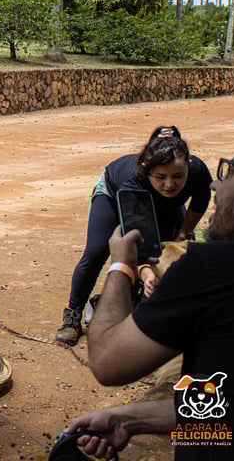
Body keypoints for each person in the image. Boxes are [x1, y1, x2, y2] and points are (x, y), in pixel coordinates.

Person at [63, 145, 234, 459]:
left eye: (229, 173)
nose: (216, 184)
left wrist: (122, 265)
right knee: (93, 252)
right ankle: (73, 309)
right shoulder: (131, 183)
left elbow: (107, 363)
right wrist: (129, 419)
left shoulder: (211, 267)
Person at [56, 126, 212, 345]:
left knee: (173, 253)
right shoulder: (133, 182)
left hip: (166, 204)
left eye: (178, 176)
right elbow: (139, 242)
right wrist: (146, 273)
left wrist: (184, 232)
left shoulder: (198, 171)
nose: (170, 184)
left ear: (189, 165)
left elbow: (200, 201)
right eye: (161, 177)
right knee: (97, 251)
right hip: (115, 195)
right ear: (147, 171)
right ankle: (73, 314)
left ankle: (153, 312)